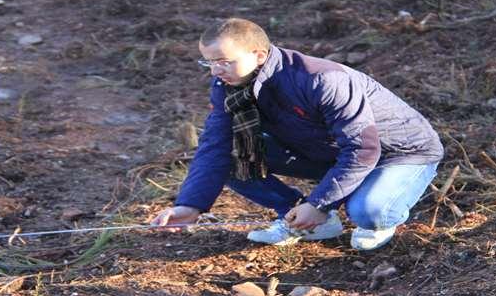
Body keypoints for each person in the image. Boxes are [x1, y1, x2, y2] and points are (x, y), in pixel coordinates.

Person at [149, 18, 443, 250]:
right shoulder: (230, 86)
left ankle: (371, 213)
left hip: (399, 153)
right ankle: (309, 222)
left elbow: (362, 150)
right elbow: (215, 145)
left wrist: (319, 202)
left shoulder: (322, 80)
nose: (215, 71)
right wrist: (189, 204)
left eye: (224, 61)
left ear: (259, 55)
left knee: (368, 213)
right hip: (329, 151)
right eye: (209, 62)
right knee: (231, 155)